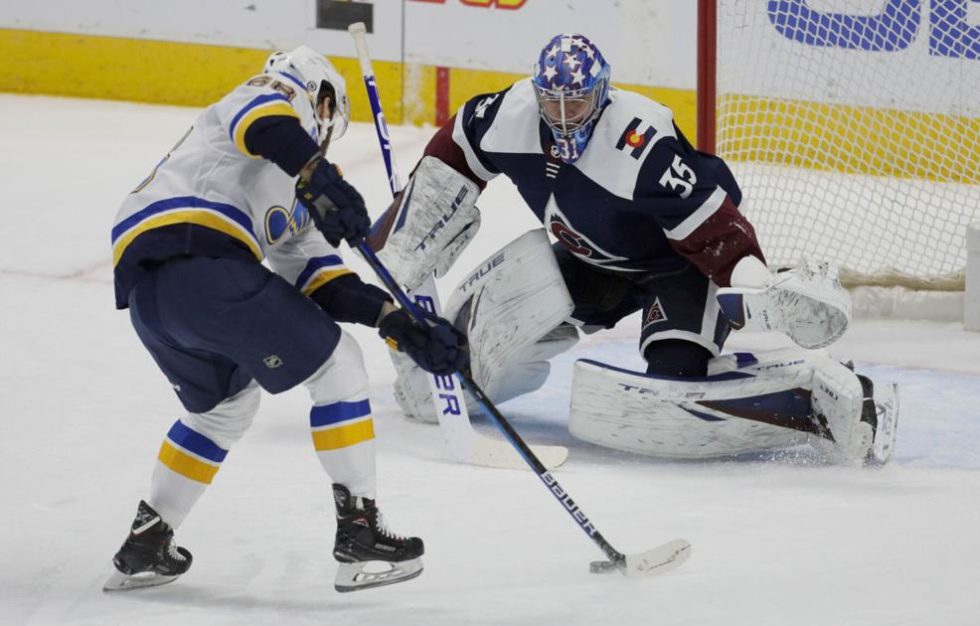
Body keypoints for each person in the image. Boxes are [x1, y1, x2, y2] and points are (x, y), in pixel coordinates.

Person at [370, 33, 897, 465]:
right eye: (550, 100)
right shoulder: (510, 114)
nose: (561, 114)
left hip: (675, 269)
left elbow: (715, 228)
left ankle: (810, 395)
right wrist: (415, 218)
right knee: (443, 388)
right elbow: (456, 149)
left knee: (670, 397)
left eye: (574, 102)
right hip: (585, 263)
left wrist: (750, 281)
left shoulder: (639, 146)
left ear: (600, 94)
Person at [105, 45, 467, 593]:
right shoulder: (273, 95)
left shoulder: (297, 191)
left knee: (223, 409)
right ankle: (360, 534)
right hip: (200, 258)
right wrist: (317, 171)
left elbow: (323, 282)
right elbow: (268, 125)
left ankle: (148, 541)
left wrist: (398, 322)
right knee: (340, 368)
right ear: (323, 102)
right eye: (325, 128)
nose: (322, 138)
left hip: (155, 297)